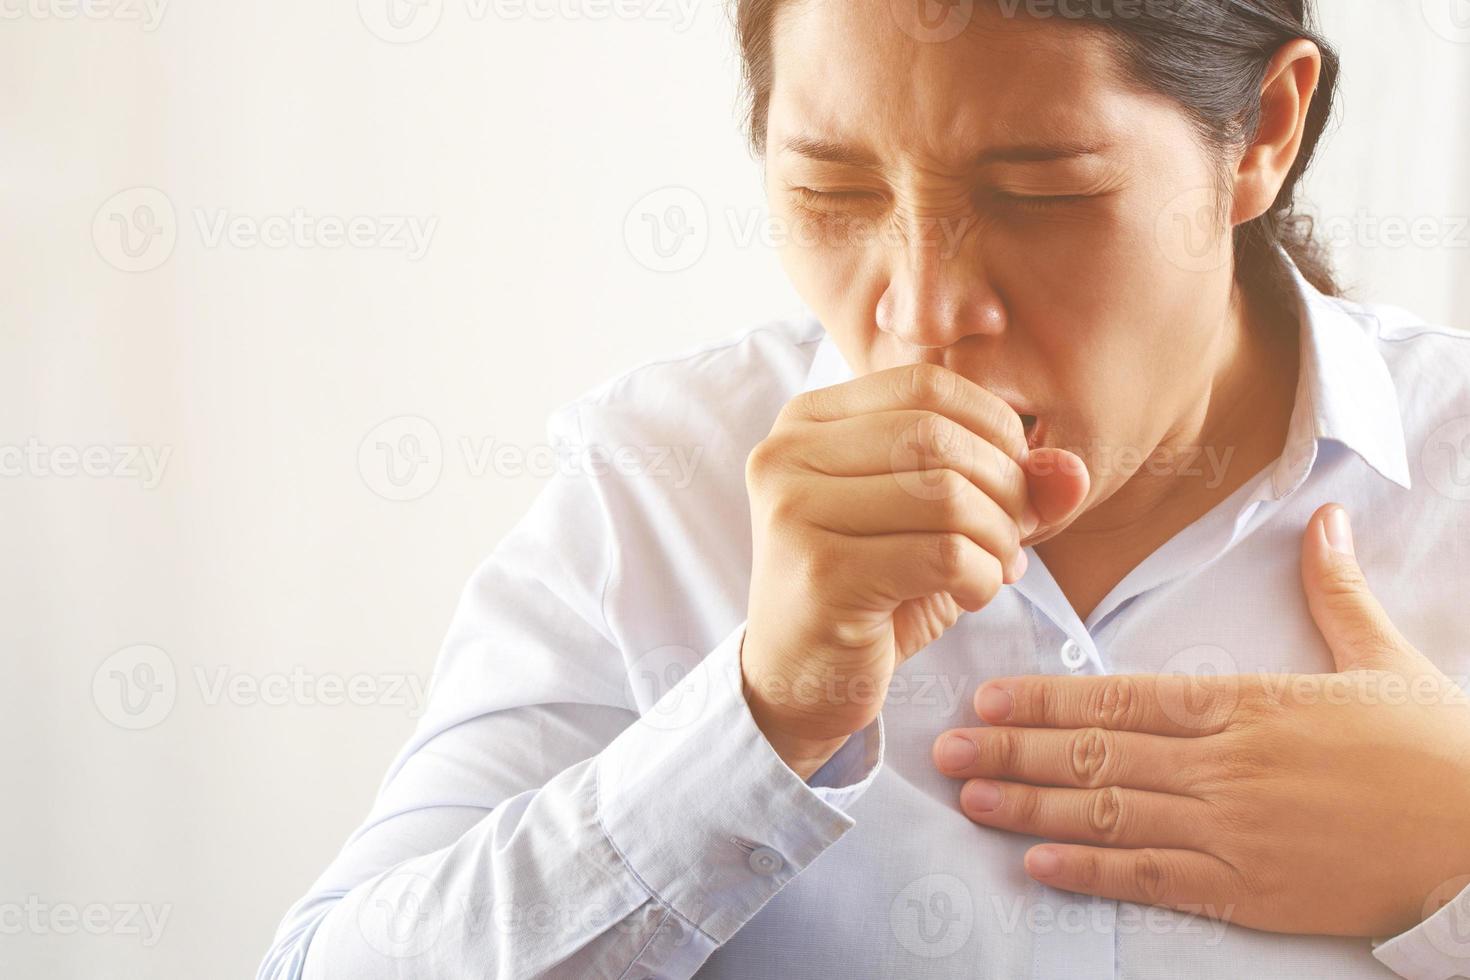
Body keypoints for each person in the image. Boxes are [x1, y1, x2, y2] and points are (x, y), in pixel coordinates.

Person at [259, 2, 1470, 977]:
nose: (925, 313)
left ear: (1262, 127)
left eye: (1038, 192)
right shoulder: (656, 488)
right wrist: (756, 720)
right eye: (834, 193)